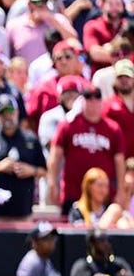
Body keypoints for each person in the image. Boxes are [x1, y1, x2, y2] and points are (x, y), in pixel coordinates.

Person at [47, 86, 127, 214]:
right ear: (82, 101)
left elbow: (119, 161)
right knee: (73, 231)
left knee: (102, 231)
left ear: (101, 101)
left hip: (103, 196)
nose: (93, 102)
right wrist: (52, 183)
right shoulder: (68, 125)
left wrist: (121, 191)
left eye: (97, 98)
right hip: (73, 193)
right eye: (89, 98)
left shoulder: (113, 128)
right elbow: (55, 156)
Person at [0, 94, 46, 220]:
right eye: (2, 113)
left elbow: (44, 170)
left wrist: (31, 170)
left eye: (10, 111)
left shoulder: (30, 139)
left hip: (23, 211)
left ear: (17, 112)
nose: (7, 116)